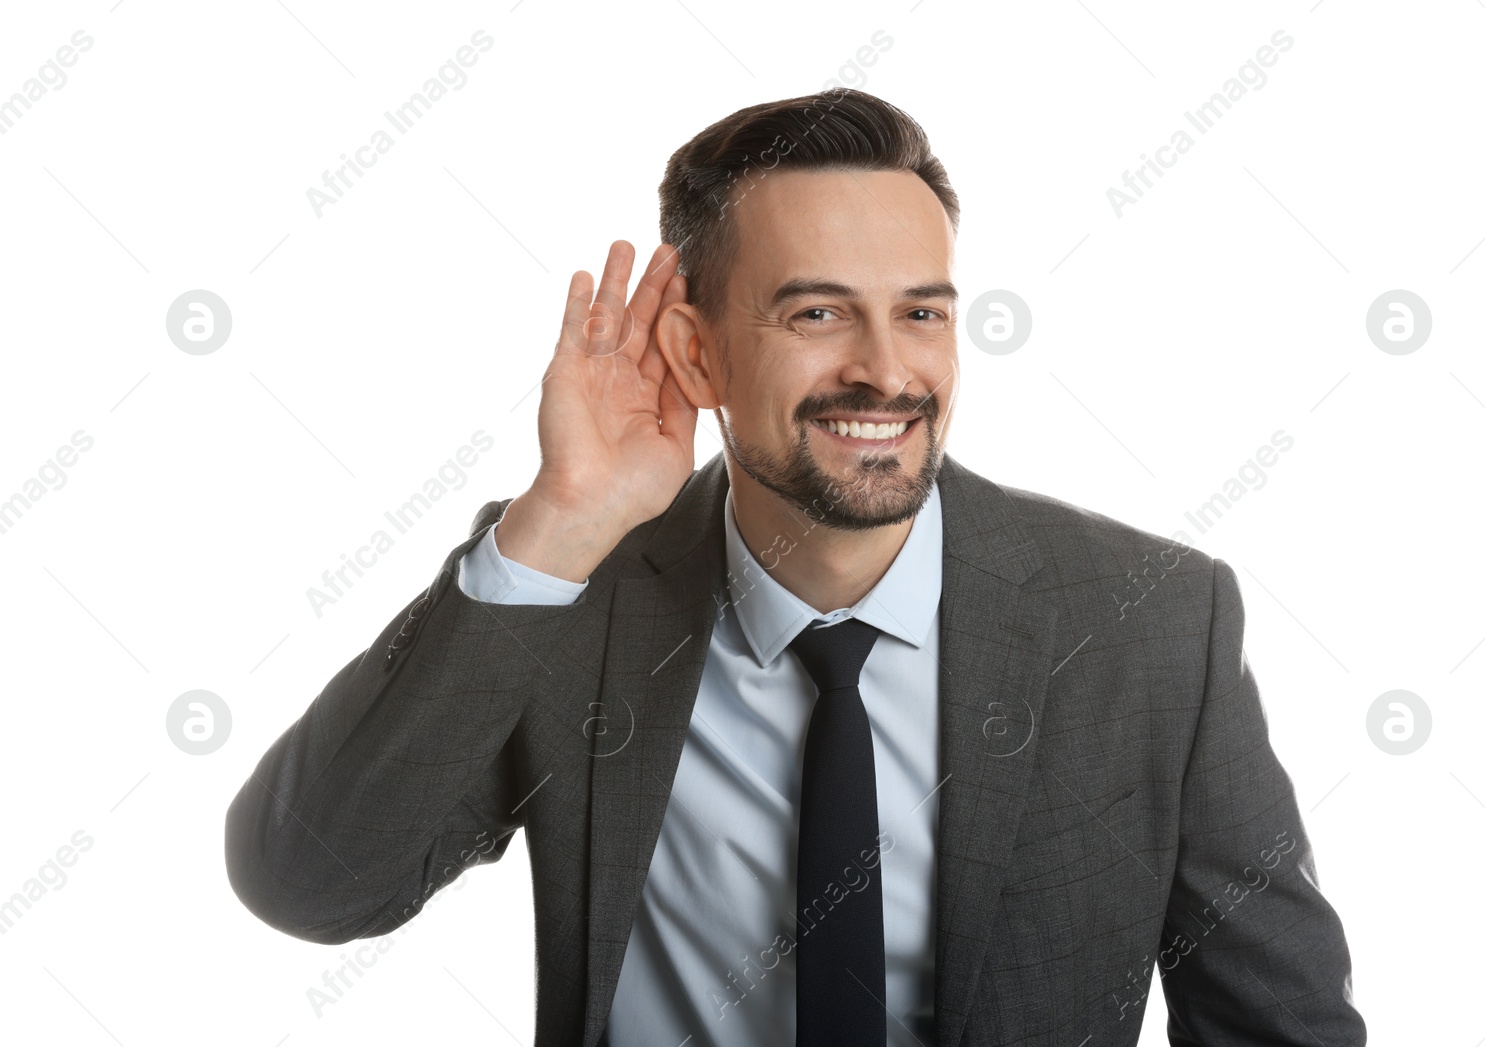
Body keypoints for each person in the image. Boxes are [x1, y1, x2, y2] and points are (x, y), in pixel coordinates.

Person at [225, 87, 1366, 1047]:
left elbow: (1280, 1027)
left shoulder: (1150, 623)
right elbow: (311, 884)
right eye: (818, 311)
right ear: (697, 350)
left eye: (921, 312)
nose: (885, 371)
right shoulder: (576, 593)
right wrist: (560, 525)